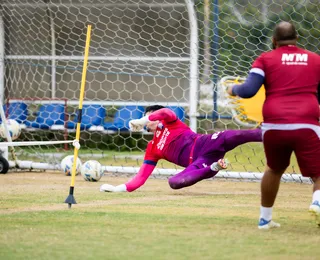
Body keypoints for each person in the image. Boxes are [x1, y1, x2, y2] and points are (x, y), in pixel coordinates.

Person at [227, 21, 320, 229]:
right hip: (307, 122)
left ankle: (265, 219)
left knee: (274, 169)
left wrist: (233, 89)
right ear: (297, 39)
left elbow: (249, 90)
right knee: (318, 172)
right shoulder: (315, 60)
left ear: (273, 40)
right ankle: (317, 202)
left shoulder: (265, 59)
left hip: (274, 123)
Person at [100, 105, 262, 193]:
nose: (152, 119)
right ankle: (215, 166)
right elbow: (140, 178)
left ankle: (271, 133)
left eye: (152, 116)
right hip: (200, 162)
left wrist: (142, 120)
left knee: (236, 135)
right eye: (149, 117)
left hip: (205, 143)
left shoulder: (170, 121)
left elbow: (166, 111)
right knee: (174, 182)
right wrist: (118, 189)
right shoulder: (152, 148)